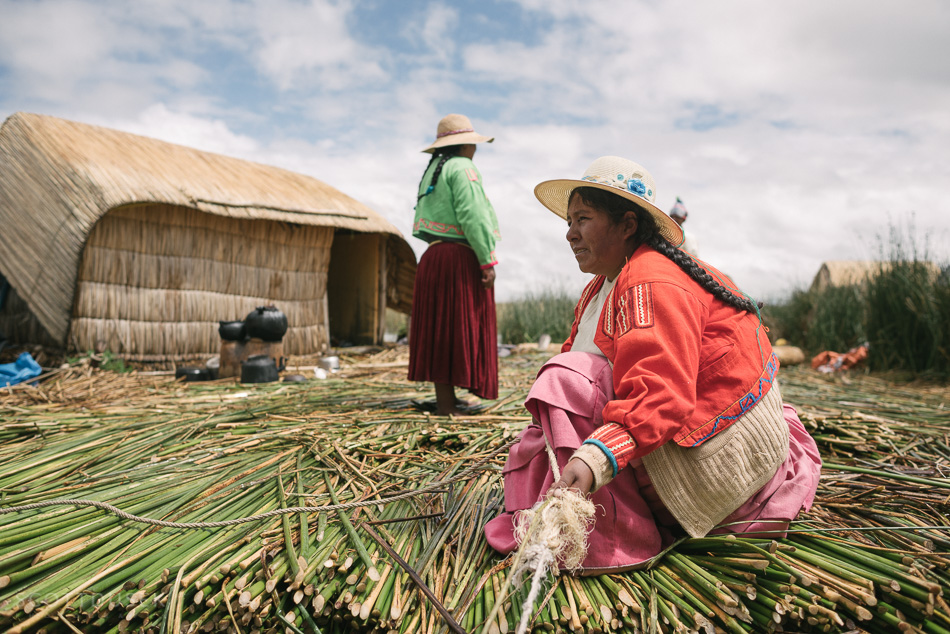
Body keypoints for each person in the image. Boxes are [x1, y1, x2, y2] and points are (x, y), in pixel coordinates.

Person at [485, 156, 821, 573]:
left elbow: (662, 395)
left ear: (627, 225)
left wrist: (594, 458)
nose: (569, 234)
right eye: (568, 222)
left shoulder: (650, 281)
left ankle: (620, 537)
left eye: (583, 219)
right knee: (564, 382)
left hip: (718, 472)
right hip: (683, 436)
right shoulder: (602, 285)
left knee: (564, 380)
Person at [407, 114, 500, 415]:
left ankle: (446, 401)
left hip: (433, 258)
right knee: (458, 327)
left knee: (440, 331)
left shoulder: (434, 168)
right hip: (458, 259)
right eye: (472, 144)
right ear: (463, 145)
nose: (475, 150)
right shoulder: (463, 167)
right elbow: (473, 215)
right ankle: (448, 408)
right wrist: (487, 260)